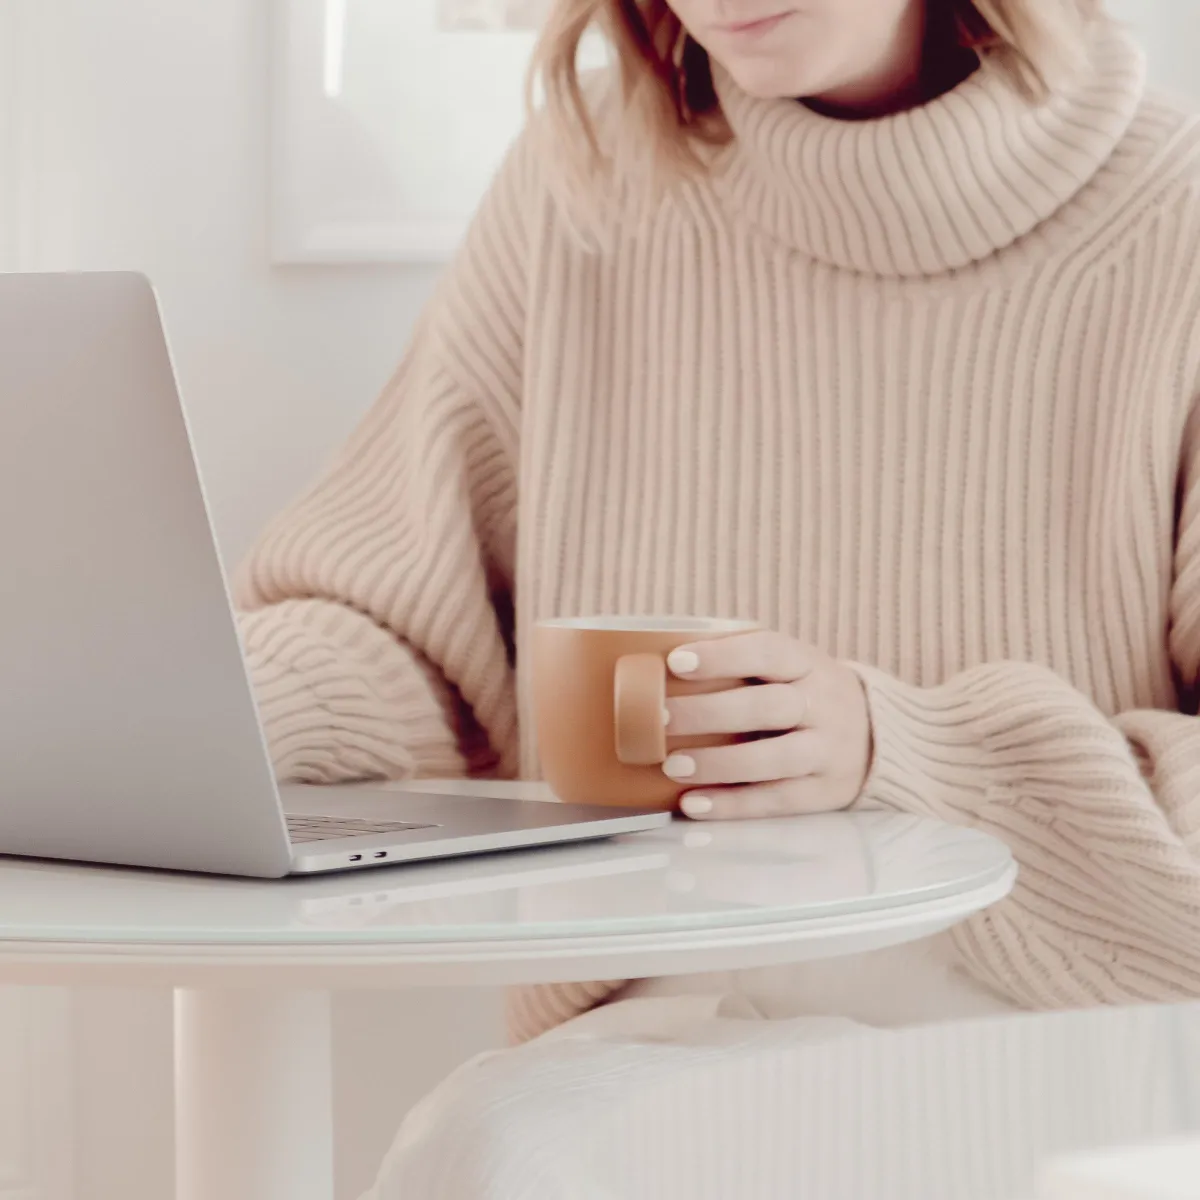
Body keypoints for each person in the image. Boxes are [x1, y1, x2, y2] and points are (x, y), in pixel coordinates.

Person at [235, 0, 1200, 1190]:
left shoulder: (1173, 220)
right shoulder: (585, 183)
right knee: (496, 1154)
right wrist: (193, 707)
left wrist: (902, 749)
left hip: (1053, 1043)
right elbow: (411, 632)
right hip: (660, 1032)